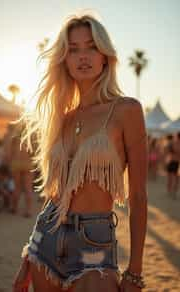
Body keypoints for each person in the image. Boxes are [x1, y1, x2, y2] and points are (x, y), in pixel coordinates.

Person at [13, 13, 148, 292]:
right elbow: (56, 194)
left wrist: (134, 272)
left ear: (105, 56)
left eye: (91, 47)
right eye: (73, 49)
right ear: (64, 59)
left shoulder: (126, 110)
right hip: (45, 241)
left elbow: (137, 196)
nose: (82, 56)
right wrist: (30, 253)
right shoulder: (64, 118)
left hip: (94, 245)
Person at [165, 133, 180, 199]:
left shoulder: (172, 143)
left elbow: (166, 150)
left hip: (172, 161)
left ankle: (170, 191)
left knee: (170, 177)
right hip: (176, 162)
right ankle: (173, 191)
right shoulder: (173, 143)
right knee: (176, 178)